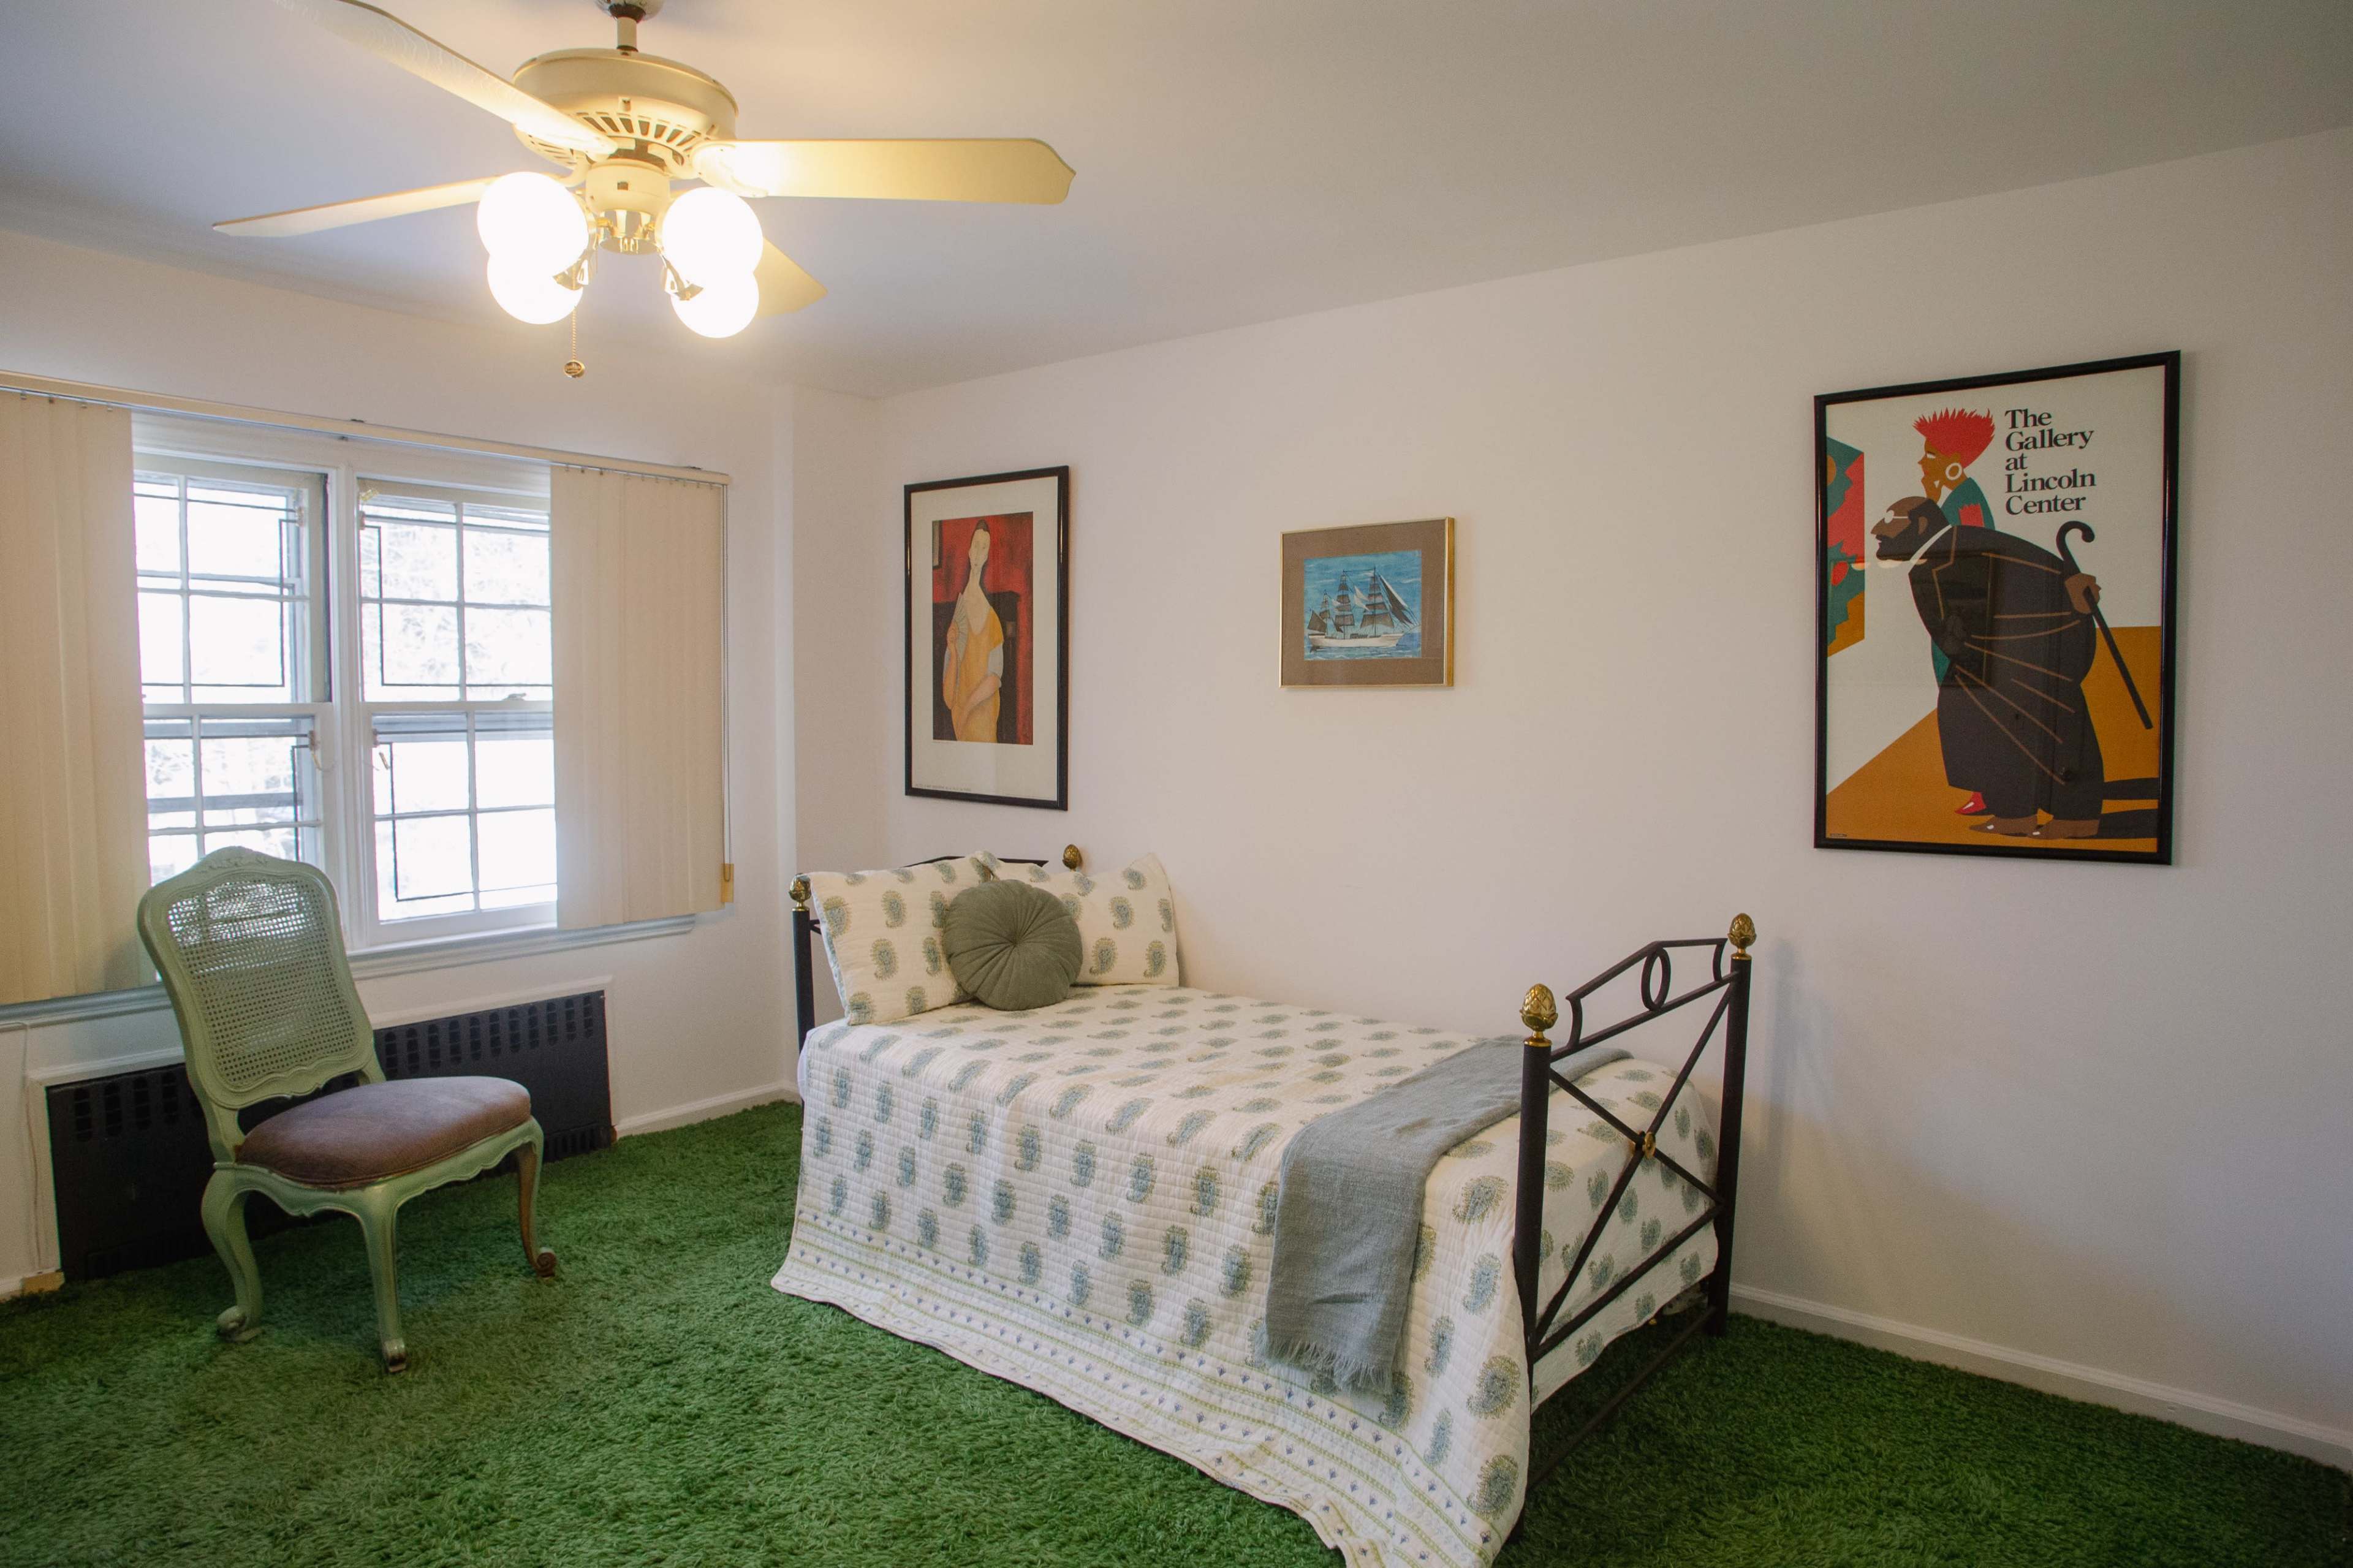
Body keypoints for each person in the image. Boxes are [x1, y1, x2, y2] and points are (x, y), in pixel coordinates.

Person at [1871, 496, 2107, 838]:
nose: (1879, 529)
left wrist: (2073, 585)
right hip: (1982, 662)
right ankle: (2014, 813)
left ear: (1921, 525)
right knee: (1975, 726)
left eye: (1890, 519)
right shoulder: (1937, 556)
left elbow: (2047, 572)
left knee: (2055, 729)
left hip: (2030, 660)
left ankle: (2076, 817)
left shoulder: (1969, 544)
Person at [1908, 407, 2001, 814]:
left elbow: (1967, 561)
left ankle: (1988, 790)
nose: (1921, 462)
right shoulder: (1953, 499)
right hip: (1953, 626)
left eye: (1930, 455)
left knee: (1967, 706)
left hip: (1963, 628)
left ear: (1953, 464)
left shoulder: (1967, 503)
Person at [940, 525, 1003, 743]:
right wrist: (953, 652)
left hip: (983, 725)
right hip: (960, 730)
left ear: (987, 556)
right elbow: (949, 698)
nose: (978, 552)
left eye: (984, 548)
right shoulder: (958, 620)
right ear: (969, 551)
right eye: (976, 545)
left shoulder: (992, 619)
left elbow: (994, 679)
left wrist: (967, 709)